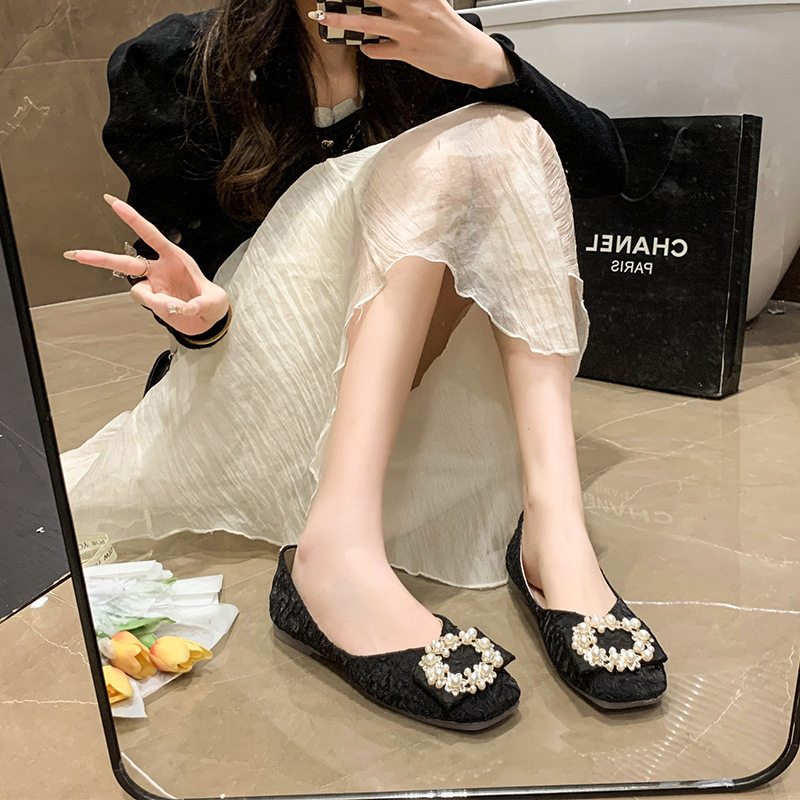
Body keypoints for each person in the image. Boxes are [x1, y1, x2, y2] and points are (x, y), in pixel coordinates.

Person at [62, 0, 667, 729]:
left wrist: (490, 67)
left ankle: (553, 525)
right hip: (255, 392)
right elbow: (175, 269)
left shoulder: (432, 40)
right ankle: (336, 552)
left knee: (509, 131)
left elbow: (608, 172)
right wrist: (203, 320)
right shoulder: (184, 63)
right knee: (462, 147)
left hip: (390, 397)